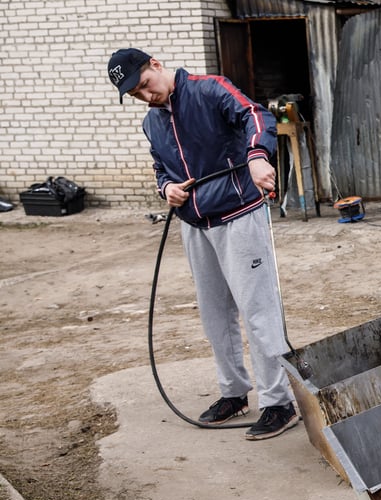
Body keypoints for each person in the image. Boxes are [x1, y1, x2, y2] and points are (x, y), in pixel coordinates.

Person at [107, 48, 299, 441]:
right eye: (136, 94)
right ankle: (233, 393)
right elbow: (161, 167)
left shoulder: (209, 89)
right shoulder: (152, 123)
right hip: (195, 225)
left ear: (156, 66)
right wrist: (167, 188)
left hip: (238, 214)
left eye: (145, 84)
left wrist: (258, 155)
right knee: (215, 315)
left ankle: (279, 402)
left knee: (257, 309)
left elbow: (255, 115)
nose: (146, 96)